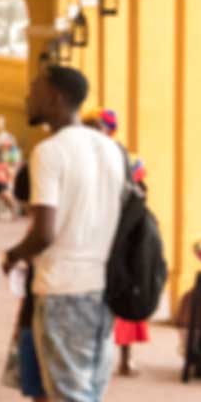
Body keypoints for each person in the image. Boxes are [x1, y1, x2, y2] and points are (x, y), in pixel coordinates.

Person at [3, 66, 128, 402]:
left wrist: (14, 254)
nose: (27, 95)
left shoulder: (50, 152)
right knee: (88, 399)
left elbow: (45, 231)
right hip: (102, 289)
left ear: (55, 98)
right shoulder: (109, 148)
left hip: (64, 289)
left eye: (34, 89)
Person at [0, 161, 81, 402]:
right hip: (36, 309)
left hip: (62, 310)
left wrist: (15, 255)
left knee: (71, 400)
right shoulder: (44, 219)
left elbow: (42, 244)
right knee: (41, 396)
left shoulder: (69, 222)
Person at [83, 109, 149, 376]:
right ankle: (112, 354)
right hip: (99, 236)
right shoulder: (89, 157)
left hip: (114, 236)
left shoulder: (122, 158)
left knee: (119, 292)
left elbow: (138, 194)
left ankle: (124, 355)